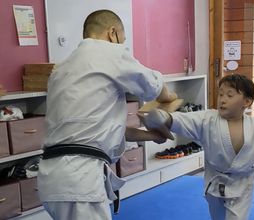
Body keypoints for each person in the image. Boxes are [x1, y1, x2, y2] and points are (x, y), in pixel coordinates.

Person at [37, 9, 177, 220]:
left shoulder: (61, 70)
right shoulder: (109, 52)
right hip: (80, 180)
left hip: (51, 180)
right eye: (123, 40)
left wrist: (152, 136)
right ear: (113, 33)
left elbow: (101, 131)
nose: (123, 46)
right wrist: (172, 98)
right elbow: (155, 86)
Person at [139, 74, 254, 220]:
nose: (222, 100)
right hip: (215, 181)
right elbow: (187, 120)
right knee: (217, 217)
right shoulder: (208, 119)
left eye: (230, 95)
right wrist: (166, 118)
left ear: (247, 102)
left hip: (242, 184)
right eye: (220, 94)